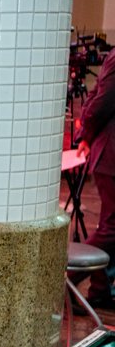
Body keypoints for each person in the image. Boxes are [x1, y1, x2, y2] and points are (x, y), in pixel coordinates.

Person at [73, 50, 115, 309]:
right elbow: (102, 100)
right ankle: (66, 278)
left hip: (109, 154)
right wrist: (85, 134)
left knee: (110, 226)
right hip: (111, 155)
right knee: (112, 228)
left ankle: (99, 291)